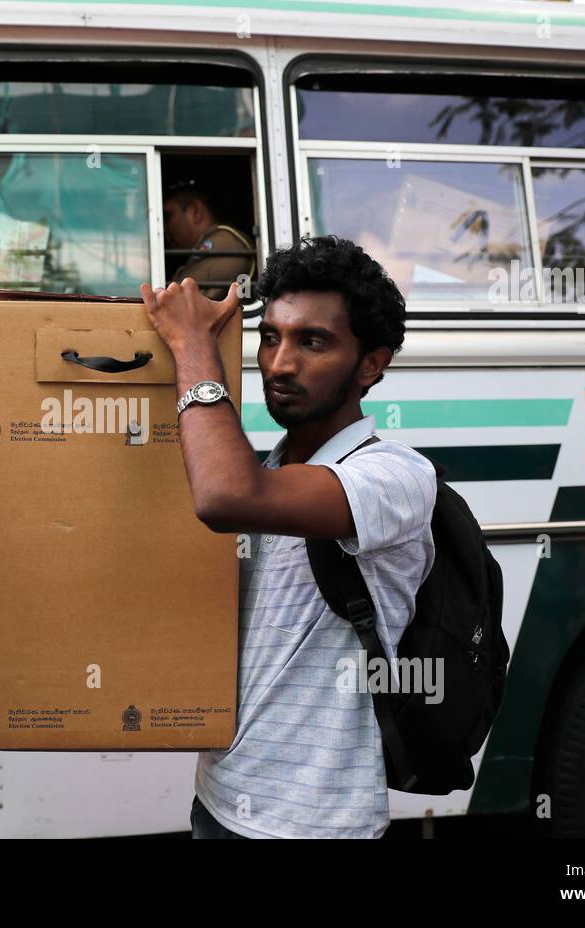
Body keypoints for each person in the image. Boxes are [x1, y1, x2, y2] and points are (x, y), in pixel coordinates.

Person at [140, 235, 437, 839]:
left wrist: (194, 346)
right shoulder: (267, 468)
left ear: (372, 363)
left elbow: (228, 497)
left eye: (313, 342)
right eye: (270, 336)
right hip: (220, 802)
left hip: (314, 824)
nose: (279, 363)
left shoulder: (395, 476)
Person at [163, 180, 256, 300]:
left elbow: (183, 301)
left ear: (195, 211)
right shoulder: (210, 247)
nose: (163, 228)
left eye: (167, 217)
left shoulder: (228, 243)